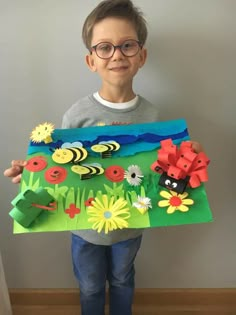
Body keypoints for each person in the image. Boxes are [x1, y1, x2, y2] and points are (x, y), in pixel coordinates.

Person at [4, 1, 203, 314]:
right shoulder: (77, 114)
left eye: (127, 45)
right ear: (91, 60)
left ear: (142, 56)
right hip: (84, 230)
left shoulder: (152, 115)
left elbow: (160, 169)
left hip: (131, 227)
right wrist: (29, 173)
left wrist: (188, 164)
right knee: (90, 286)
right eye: (105, 47)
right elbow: (58, 164)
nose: (117, 55)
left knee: (123, 279)